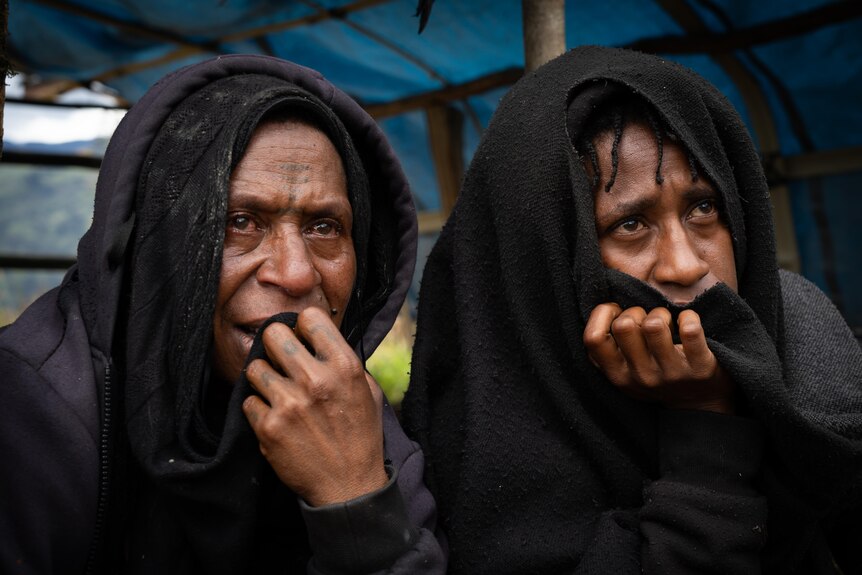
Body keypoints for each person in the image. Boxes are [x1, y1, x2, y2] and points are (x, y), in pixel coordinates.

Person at [402, 45, 862, 574]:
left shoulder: (812, 365)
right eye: (630, 224)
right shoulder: (490, 462)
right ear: (546, 265)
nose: (686, 265)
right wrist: (705, 420)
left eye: (703, 208)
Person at [0, 55, 446, 574]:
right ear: (160, 242)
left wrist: (355, 498)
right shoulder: (33, 413)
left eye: (324, 227)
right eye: (240, 221)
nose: (297, 274)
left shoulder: (351, 413)